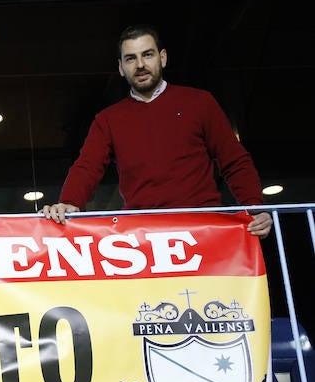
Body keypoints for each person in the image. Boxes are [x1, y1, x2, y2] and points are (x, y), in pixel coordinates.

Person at [41, 24, 272, 239]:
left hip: (203, 228)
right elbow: (87, 167)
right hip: (144, 235)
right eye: (131, 59)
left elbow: (234, 159)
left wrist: (254, 207)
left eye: (147, 54)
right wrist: (69, 202)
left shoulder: (199, 102)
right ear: (121, 68)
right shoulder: (108, 120)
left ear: (163, 57)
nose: (140, 64)